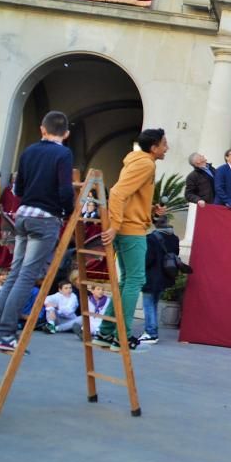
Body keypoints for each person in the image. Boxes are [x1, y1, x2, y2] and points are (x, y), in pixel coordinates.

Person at [0, 111, 74, 352]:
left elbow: (19, 187)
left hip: (23, 215)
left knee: (15, 273)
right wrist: (68, 211)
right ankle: (5, 333)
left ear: (42, 129)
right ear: (66, 133)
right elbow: (66, 190)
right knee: (27, 276)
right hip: (45, 218)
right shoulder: (63, 153)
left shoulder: (29, 151)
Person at [92, 128, 168, 352]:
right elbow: (116, 193)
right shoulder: (146, 164)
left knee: (127, 281)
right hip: (131, 230)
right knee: (135, 280)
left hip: (129, 226)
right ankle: (120, 336)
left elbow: (130, 196)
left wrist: (150, 210)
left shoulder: (137, 161)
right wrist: (114, 226)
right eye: (164, 144)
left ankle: (106, 333)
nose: (167, 147)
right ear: (154, 148)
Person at [140, 215, 179, 344]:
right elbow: (176, 255)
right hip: (165, 276)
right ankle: (152, 331)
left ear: (155, 224)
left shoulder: (151, 238)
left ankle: (151, 332)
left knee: (148, 305)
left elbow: (147, 259)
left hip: (151, 277)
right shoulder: (174, 238)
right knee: (154, 303)